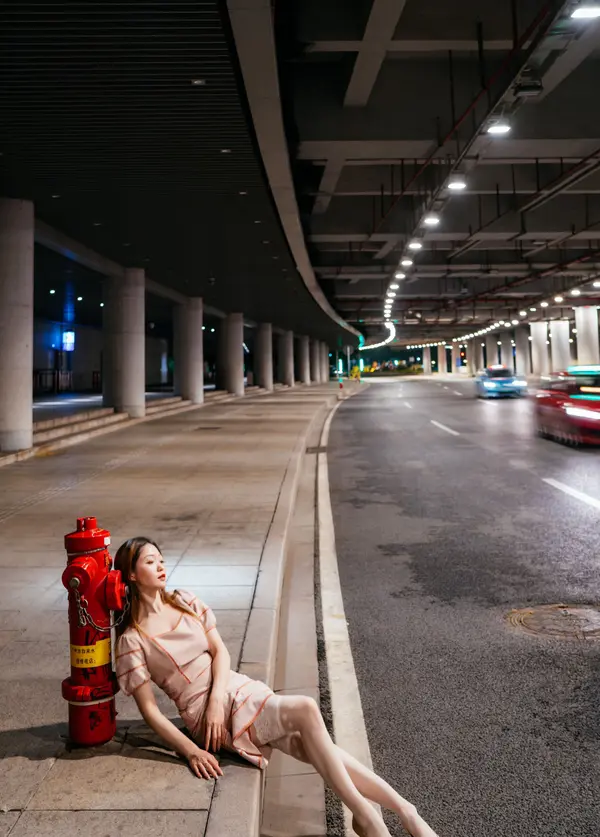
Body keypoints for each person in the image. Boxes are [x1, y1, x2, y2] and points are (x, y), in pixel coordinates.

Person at [113, 537, 440, 837]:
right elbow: (151, 712)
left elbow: (220, 652)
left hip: (232, 688)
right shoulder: (132, 640)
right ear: (131, 574)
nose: (161, 566)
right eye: (150, 562)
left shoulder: (185, 600)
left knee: (306, 745)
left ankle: (400, 810)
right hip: (204, 716)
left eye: (161, 560)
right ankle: (372, 816)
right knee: (306, 709)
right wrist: (192, 750)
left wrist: (217, 697)